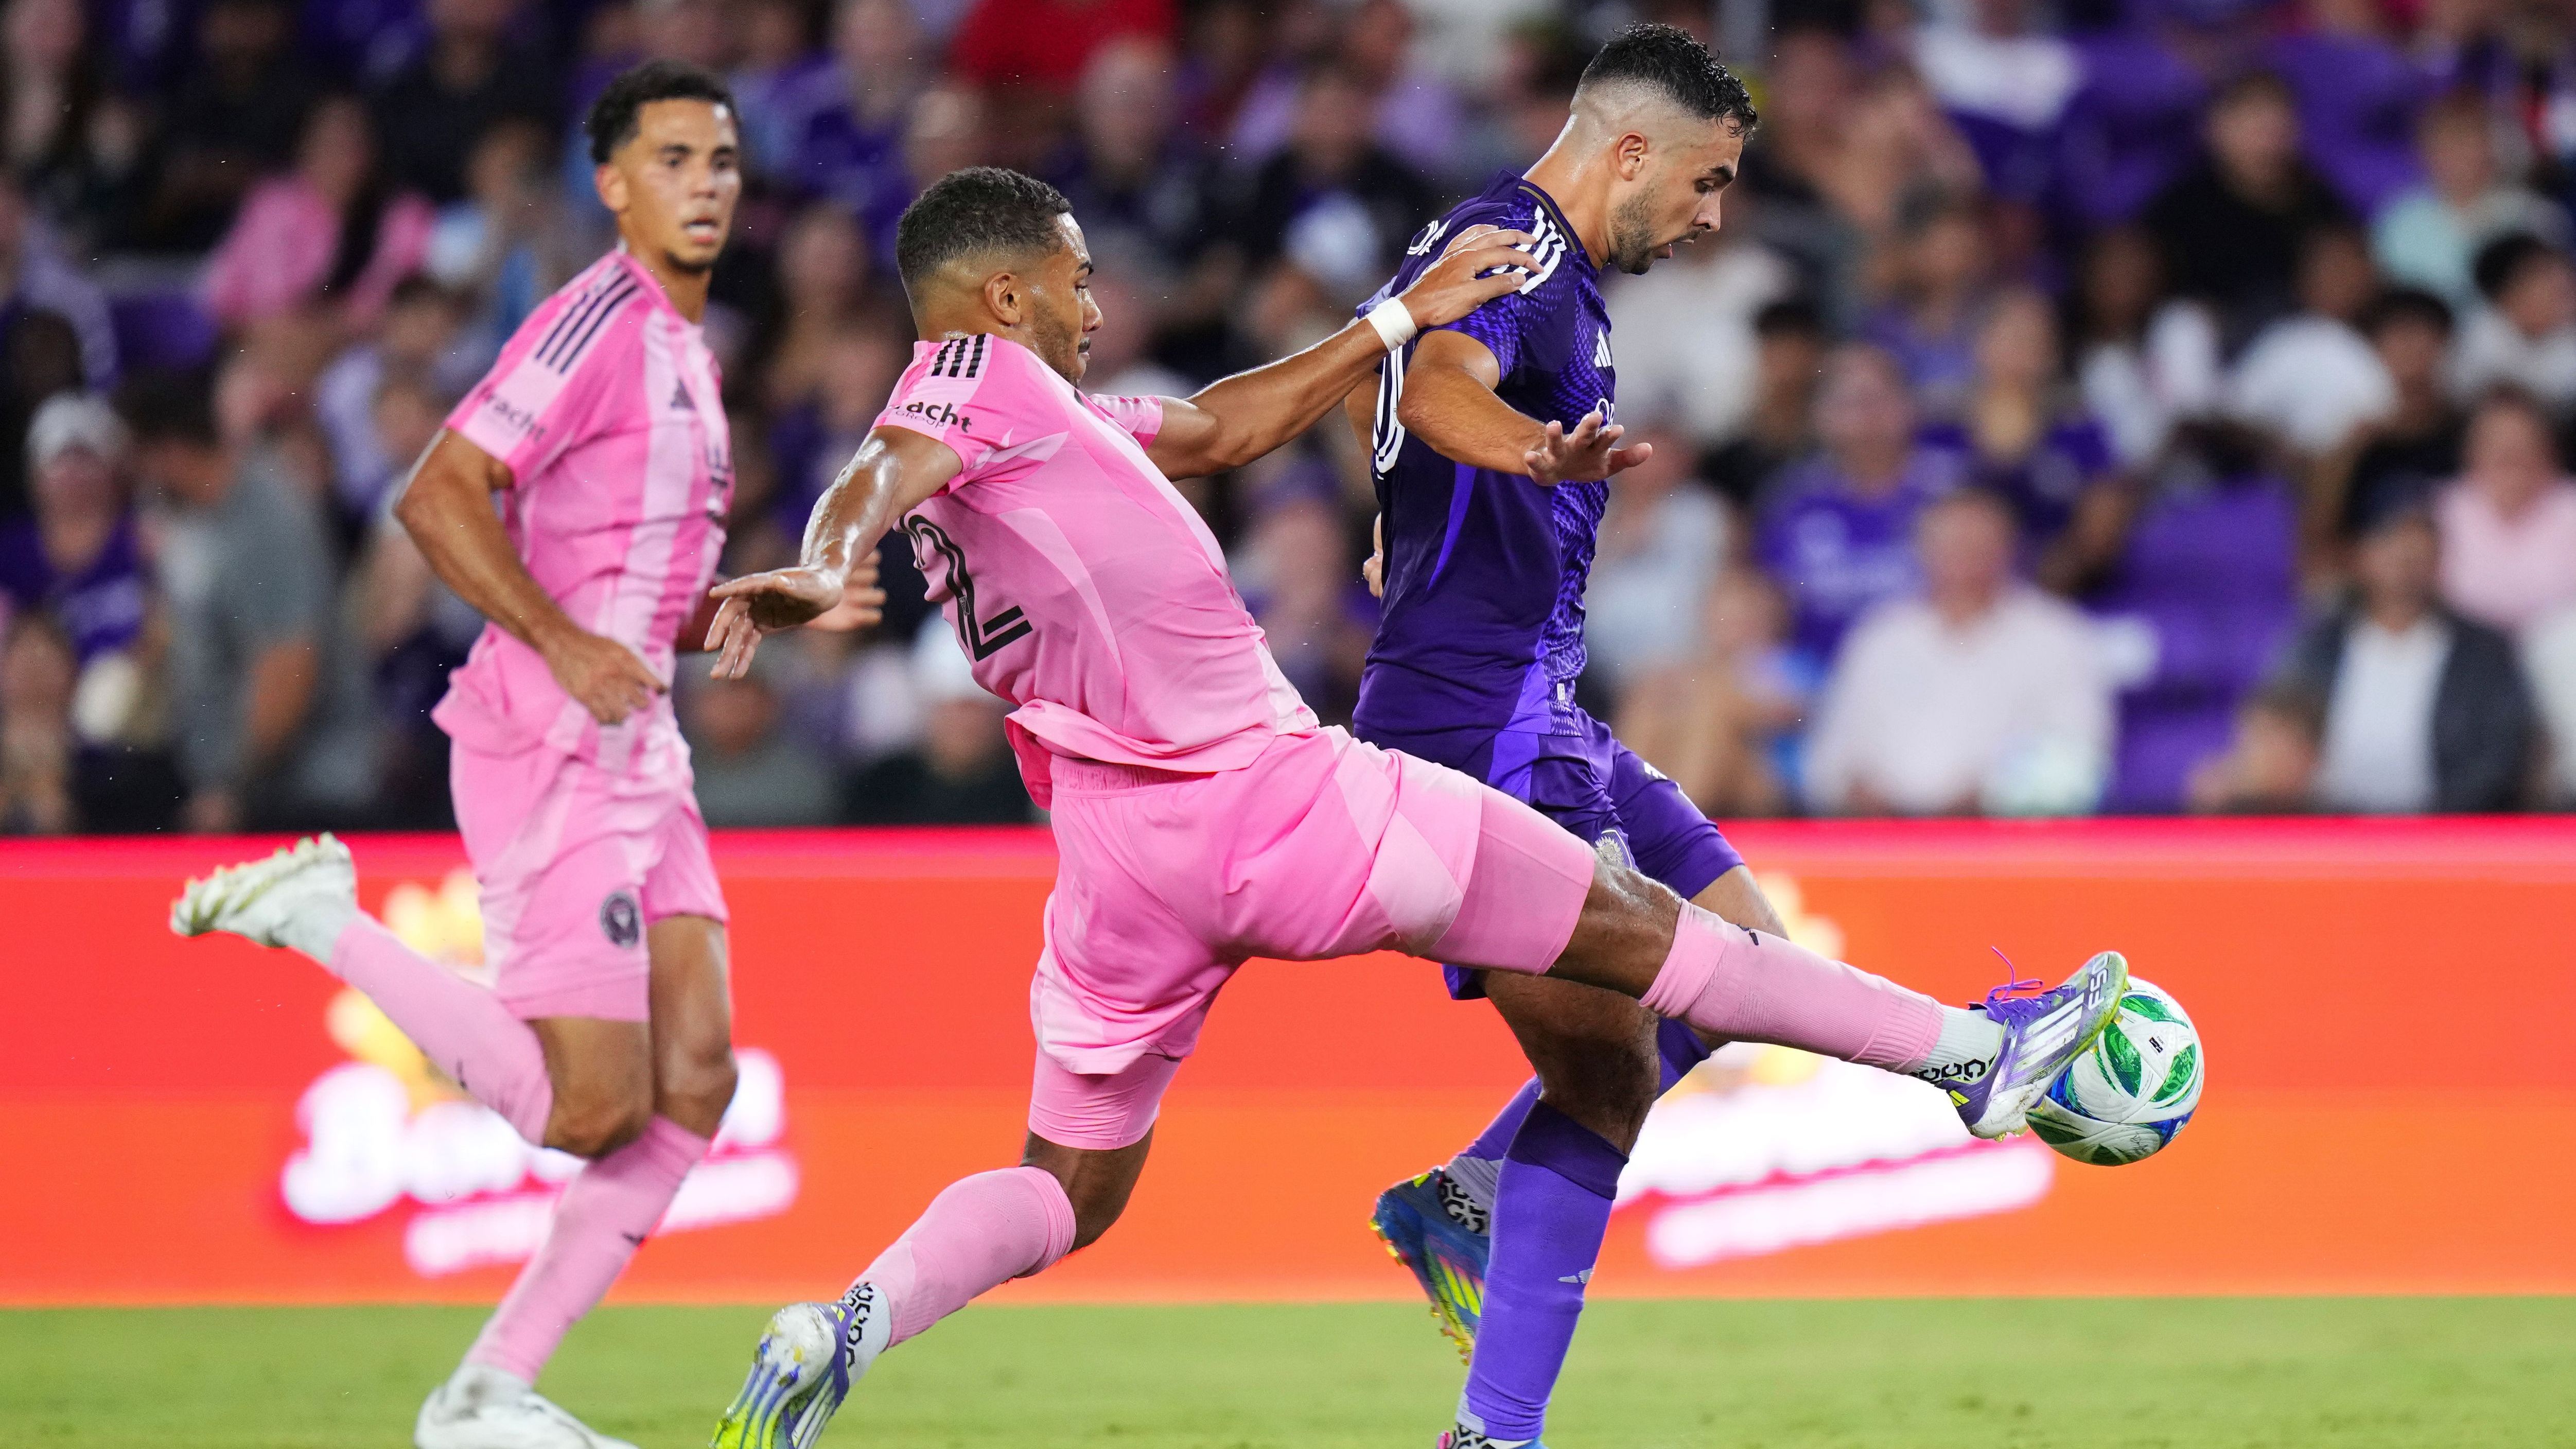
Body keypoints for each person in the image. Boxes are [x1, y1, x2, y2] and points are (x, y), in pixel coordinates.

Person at [684, 165, 2125, 1449]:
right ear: (1005, 295)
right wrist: (823, 557)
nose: (1095, 304)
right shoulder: (970, 377)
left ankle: (849, 1322)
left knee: (1068, 1187)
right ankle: (1975, 1058)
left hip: (1117, 870)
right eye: (1074, 277)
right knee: (1643, 932)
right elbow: (883, 462)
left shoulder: (1053, 429)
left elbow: (1219, 425)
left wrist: (1389, 320)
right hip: (1273, 799)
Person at [168, 63, 881, 1449]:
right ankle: (317, 916)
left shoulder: (693, 353)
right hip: (549, 734)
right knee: (595, 1105)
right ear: (610, 185)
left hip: (641, 739)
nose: (706, 183)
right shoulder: (595, 319)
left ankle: (487, 1389)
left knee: (699, 1081)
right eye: (671, 159)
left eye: (722, 159)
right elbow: (437, 491)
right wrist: (563, 642)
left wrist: (756, 604)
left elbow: (632, 599)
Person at [1803, 488, 2113, 815]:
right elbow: (1830, 759)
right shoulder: (1880, 636)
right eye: (1952, 545)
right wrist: (1860, 792)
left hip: (2008, 834)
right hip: (1882, 832)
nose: (1965, 557)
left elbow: (2079, 759)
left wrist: (1987, 799)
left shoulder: (2058, 635)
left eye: (1978, 545)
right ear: (1922, 550)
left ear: (2010, 550)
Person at [2284, 495, 2536, 813]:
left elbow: (2500, 754)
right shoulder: (2316, 647)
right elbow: (2282, 735)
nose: (2404, 558)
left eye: (2417, 546)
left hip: (2449, 830)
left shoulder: (2485, 653)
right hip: (2327, 826)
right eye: (2390, 542)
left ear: (2440, 557)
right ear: (2359, 555)